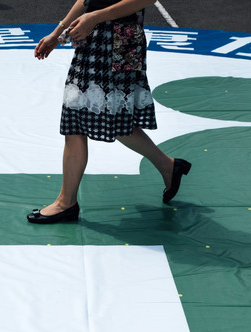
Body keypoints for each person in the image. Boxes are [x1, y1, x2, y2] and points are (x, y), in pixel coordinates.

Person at [27, 0, 192, 224]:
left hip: (118, 41)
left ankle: (66, 202)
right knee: (78, 115)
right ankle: (168, 166)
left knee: (110, 118)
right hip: (96, 38)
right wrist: (58, 34)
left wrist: (95, 17)